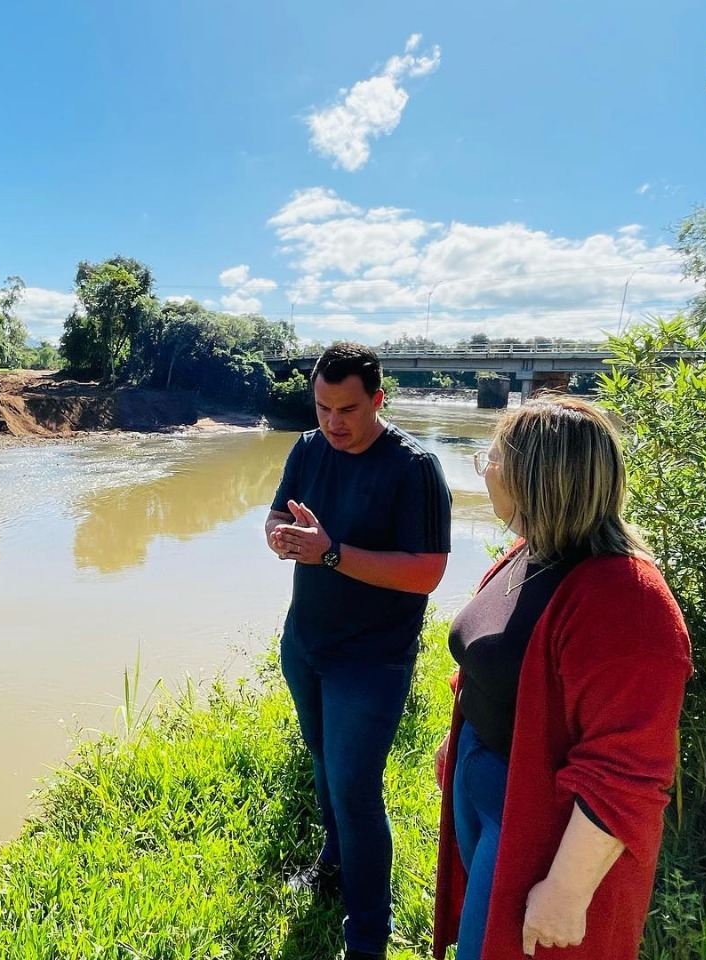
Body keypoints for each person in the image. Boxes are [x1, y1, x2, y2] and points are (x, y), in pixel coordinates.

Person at [432, 396, 692, 960]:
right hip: (484, 789)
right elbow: (496, 660)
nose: (482, 467)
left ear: (533, 477)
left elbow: (627, 771)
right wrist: (460, 734)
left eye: (490, 458)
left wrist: (566, 891)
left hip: (538, 823)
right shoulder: (530, 551)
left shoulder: (628, 599)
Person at [266, 342, 452, 960]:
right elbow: (273, 516)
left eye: (347, 409)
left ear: (378, 399)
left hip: (371, 660)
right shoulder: (308, 445)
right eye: (322, 407)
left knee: (355, 788)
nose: (332, 423)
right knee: (323, 766)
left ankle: (368, 936)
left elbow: (427, 572)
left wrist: (330, 553)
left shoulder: (414, 467)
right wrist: (280, 537)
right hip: (306, 643)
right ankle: (334, 861)